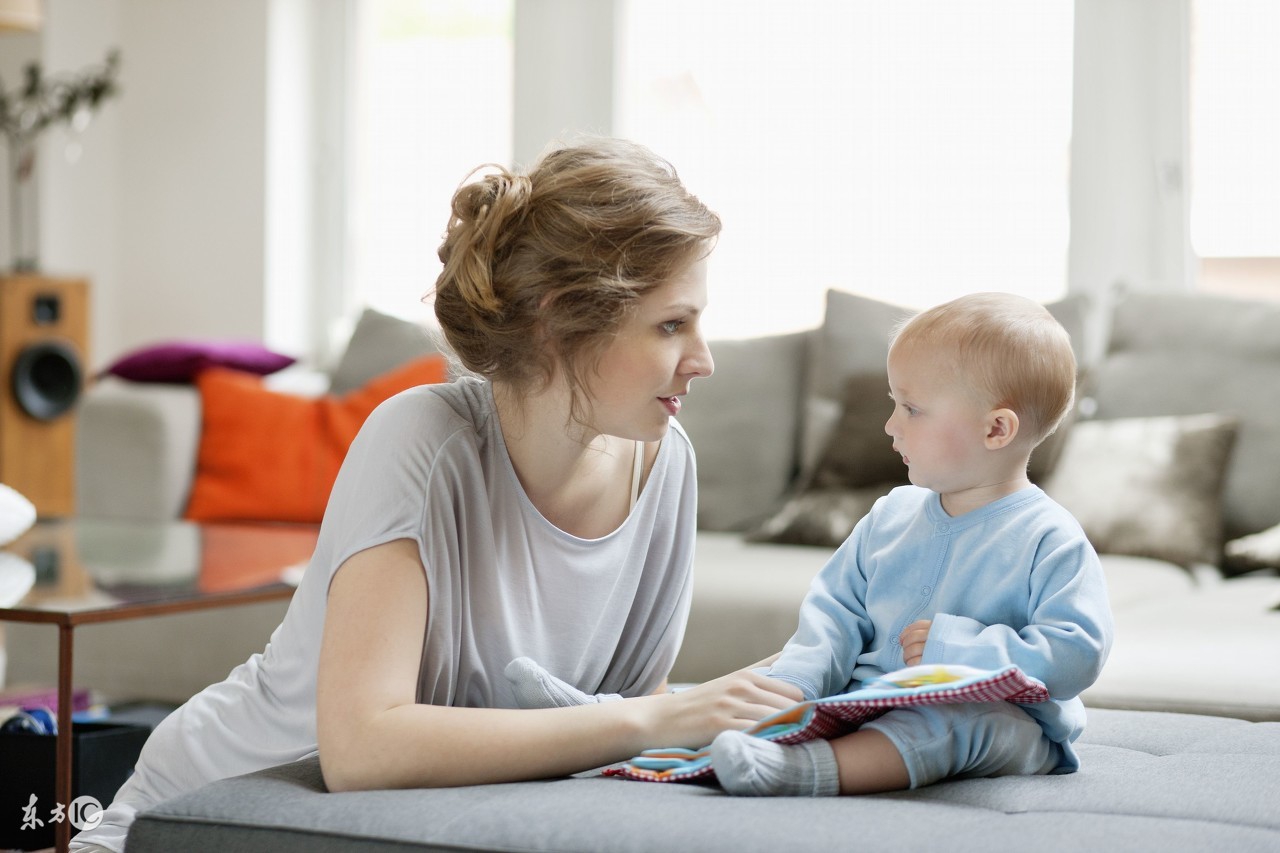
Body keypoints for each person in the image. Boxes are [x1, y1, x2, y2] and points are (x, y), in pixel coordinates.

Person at [72, 137, 802, 852]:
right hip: (211, 815)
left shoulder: (665, 462)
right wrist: (659, 718)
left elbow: (614, 730)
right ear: (557, 322)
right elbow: (362, 749)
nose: (703, 360)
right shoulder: (422, 439)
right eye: (672, 324)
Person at [706, 292, 1115, 797]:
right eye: (894, 404)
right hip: (870, 701)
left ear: (996, 428)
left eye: (911, 409)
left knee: (952, 722)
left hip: (1001, 722)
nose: (890, 425)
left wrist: (954, 649)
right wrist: (795, 685)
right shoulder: (890, 515)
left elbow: (1076, 653)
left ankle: (805, 771)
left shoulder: (1050, 538)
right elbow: (834, 615)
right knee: (758, 699)